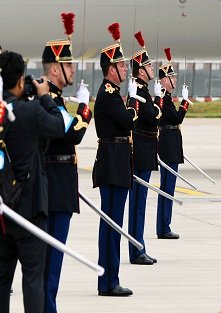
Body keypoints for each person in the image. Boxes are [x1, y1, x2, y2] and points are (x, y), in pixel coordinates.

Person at [0, 50, 65, 313]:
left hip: (4, 209)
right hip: (30, 208)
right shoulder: (30, 111)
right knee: (33, 280)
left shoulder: (4, 109)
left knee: (2, 282)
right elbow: (60, 126)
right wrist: (44, 96)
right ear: (20, 79)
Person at [42, 13, 92, 313]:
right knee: (49, 266)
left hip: (60, 188)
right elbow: (72, 134)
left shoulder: (56, 100)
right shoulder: (49, 101)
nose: (73, 71)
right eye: (69, 66)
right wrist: (85, 111)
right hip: (54, 190)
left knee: (51, 265)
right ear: (54, 68)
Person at [93, 22, 136, 297]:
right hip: (113, 162)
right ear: (111, 69)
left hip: (115, 161)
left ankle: (108, 278)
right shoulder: (109, 95)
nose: (125, 70)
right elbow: (127, 121)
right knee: (112, 224)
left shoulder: (112, 93)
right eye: (121, 66)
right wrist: (133, 103)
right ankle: (109, 280)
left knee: (112, 224)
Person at [127, 31, 161, 265]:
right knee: (138, 204)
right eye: (149, 66)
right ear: (141, 70)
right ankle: (136, 249)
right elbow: (153, 116)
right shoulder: (138, 92)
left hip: (145, 149)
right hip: (140, 150)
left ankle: (139, 246)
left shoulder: (142, 90)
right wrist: (158, 101)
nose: (152, 69)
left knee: (141, 204)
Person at [155, 48, 191, 240]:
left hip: (172, 143)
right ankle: (163, 227)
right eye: (172, 78)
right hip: (168, 144)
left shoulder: (166, 98)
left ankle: (165, 224)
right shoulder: (162, 98)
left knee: (168, 186)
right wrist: (185, 102)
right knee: (167, 187)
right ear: (164, 80)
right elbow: (177, 117)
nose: (175, 80)